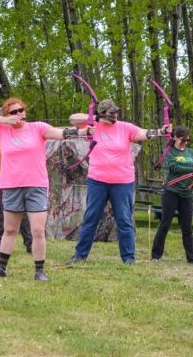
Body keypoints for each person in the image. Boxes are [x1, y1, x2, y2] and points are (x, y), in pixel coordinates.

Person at [0, 97, 92, 281]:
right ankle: (1, 268)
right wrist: (5, 120)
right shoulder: (3, 131)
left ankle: (39, 271)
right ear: (7, 115)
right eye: (13, 112)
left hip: (36, 185)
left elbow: (60, 133)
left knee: (37, 230)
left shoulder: (37, 127)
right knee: (9, 229)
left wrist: (83, 131)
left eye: (21, 110)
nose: (19, 114)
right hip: (12, 185)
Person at [64, 99, 171, 264]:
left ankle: (128, 258)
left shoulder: (124, 127)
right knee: (91, 218)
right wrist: (97, 118)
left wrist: (160, 131)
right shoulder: (93, 126)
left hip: (122, 181)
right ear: (102, 113)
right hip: (97, 181)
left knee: (124, 219)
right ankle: (80, 255)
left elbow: (143, 133)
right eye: (111, 112)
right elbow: (73, 118)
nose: (115, 114)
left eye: (116, 111)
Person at [150, 126, 193, 265]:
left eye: (188, 140)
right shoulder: (169, 152)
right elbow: (174, 167)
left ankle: (192, 259)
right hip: (171, 192)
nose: (186, 142)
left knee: (187, 227)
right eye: (183, 140)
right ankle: (156, 256)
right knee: (165, 224)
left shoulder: (190, 152)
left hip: (186, 193)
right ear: (175, 137)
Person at [0, 130, 33, 255]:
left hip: (14, 179)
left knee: (23, 213)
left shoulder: (12, 137)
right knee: (0, 215)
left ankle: (30, 245)